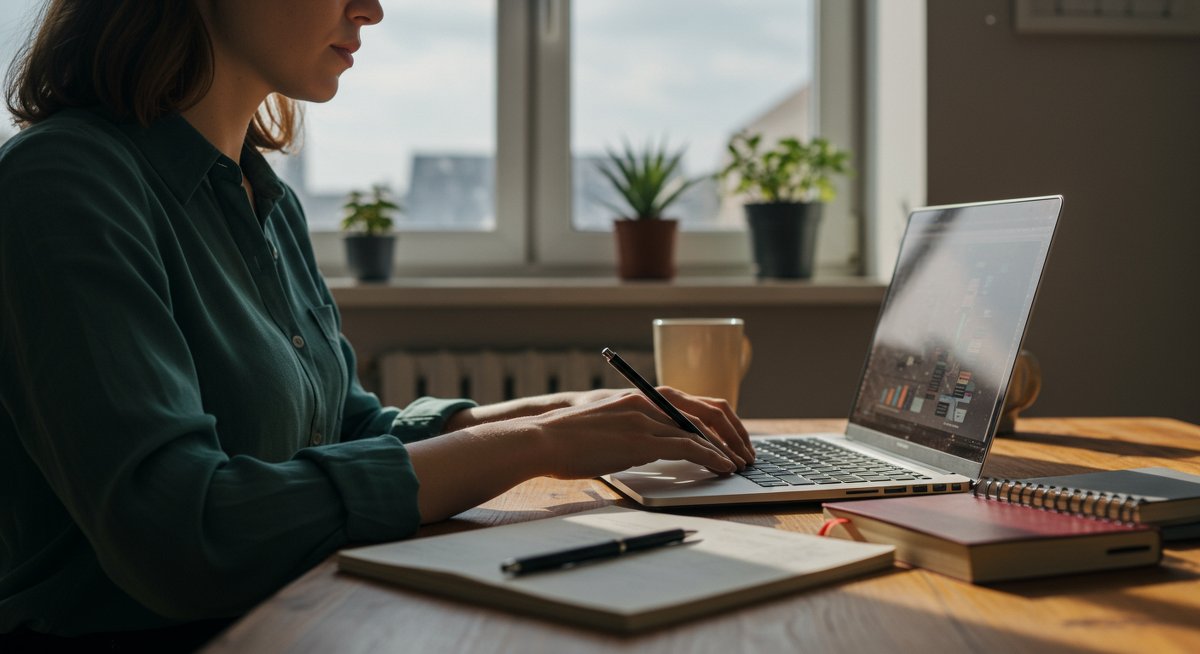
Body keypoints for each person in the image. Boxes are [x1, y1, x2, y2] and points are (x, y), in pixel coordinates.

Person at [0, 0, 754, 648]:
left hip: (297, 618)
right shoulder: (63, 183)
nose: (373, 8)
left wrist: (561, 413)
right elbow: (184, 534)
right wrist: (539, 444)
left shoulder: (264, 199)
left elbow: (344, 431)